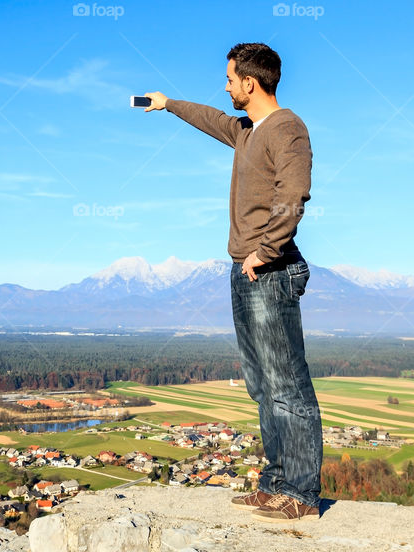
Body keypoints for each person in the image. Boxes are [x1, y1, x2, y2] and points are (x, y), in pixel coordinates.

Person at [144, 42, 322, 522]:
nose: (224, 87)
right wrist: (168, 105)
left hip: (272, 269)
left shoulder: (288, 129)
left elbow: (294, 194)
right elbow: (209, 119)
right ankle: (276, 483)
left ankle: (302, 494)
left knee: (287, 385)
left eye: (229, 79)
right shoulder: (246, 131)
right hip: (247, 269)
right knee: (262, 387)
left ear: (250, 82)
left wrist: (265, 251)